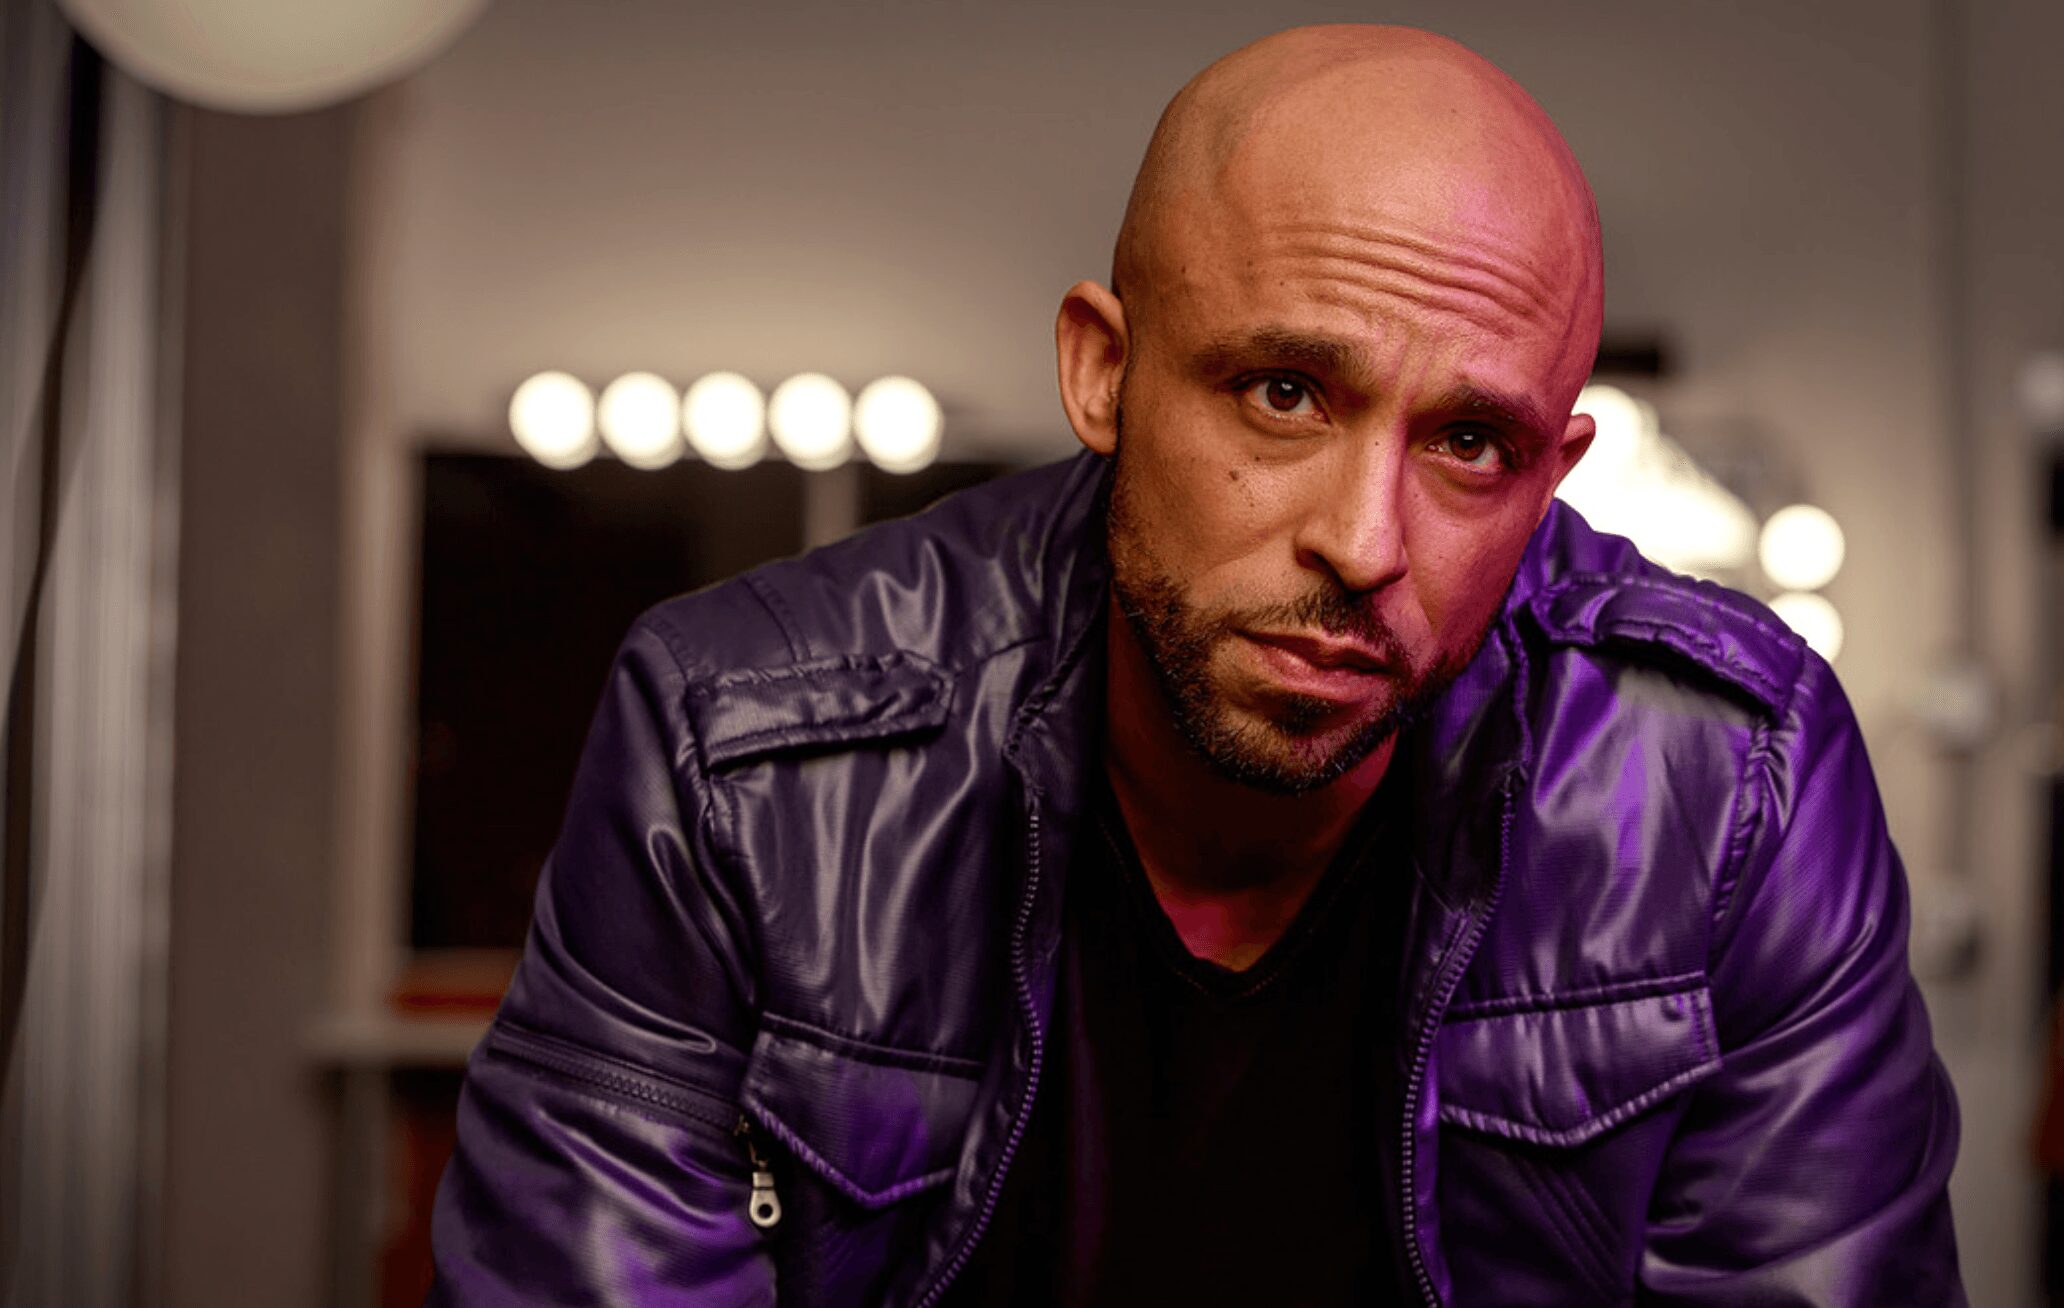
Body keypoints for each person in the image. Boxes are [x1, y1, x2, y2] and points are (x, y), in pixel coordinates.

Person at [428, 24, 1963, 1306]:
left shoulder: (1726, 778)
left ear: (1555, 472)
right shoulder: (748, 745)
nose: (1366, 542)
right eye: (1287, 392)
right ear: (1106, 370)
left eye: (1472, 443)